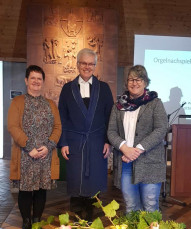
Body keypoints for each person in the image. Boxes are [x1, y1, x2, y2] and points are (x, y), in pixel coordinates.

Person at [58, 48, 114, 220]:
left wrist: (107, 141)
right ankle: (76, 217)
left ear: (95, 66)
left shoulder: (103, 88)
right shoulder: (67, 89)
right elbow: (62, 117)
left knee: (93, 180)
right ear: (77, 64)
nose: (87, 67)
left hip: (97, 142)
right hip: (75, 141)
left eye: (91, 64)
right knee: (76, 178)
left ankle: (90, 216)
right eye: (84, 63)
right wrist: (64, 142)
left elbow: (110, 117)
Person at [8, 65, 61, 229]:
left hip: (45, 155)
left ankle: (37, 221)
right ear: (26, 81)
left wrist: (48, 146)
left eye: (39, 78)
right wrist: (29, 147)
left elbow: (58, 127)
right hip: (25, 155)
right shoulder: (17, 102)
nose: (36, 81)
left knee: (40, 190)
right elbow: (13, 126)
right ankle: (26, 222)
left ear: (43, 82)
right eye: (33, 78)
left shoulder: (51, 104)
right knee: (25, 190)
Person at [107, 65, 168, 213]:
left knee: (150, 206)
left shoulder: (155, 103)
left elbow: (161, 129)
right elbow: (111, 131)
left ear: (145, 82)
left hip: (150, 162)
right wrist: (124, 148)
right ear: (127, 82)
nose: (135, 83)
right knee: (131, 207)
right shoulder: (118, 106)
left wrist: (138, 149)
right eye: (131, 79)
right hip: (125, 162)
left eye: (139, 79)